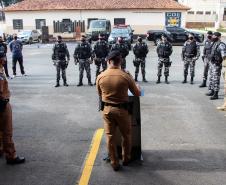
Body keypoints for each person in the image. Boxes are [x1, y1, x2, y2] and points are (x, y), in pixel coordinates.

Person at [96, 50, 141, 171]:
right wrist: (132, 79)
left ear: (109, 61)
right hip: (122, 111)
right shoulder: (125, 75)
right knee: (126, 135)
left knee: (110, 136)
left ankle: (114, 162)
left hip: (107, 110)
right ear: (120, 61)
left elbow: (100, 94)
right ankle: (126, 159)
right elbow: (137, 93)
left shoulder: (101, 76)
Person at [0, 57, 25, 165]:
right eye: (2, 57)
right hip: (2, 103)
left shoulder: (1, 69)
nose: (4, 59)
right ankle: (11, 156)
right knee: (7, 131)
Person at [206, 32, 226, 100]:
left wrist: (222, 64)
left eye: (215, 36)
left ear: (219, 37)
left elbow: (224, 57)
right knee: (211, 78)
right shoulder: (214, 43)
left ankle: (216, 93)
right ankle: (211, 90)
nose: (213, 37)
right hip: (212, 63)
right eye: (213, 36)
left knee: (216, 79)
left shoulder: (221, 45)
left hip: (217, 64)